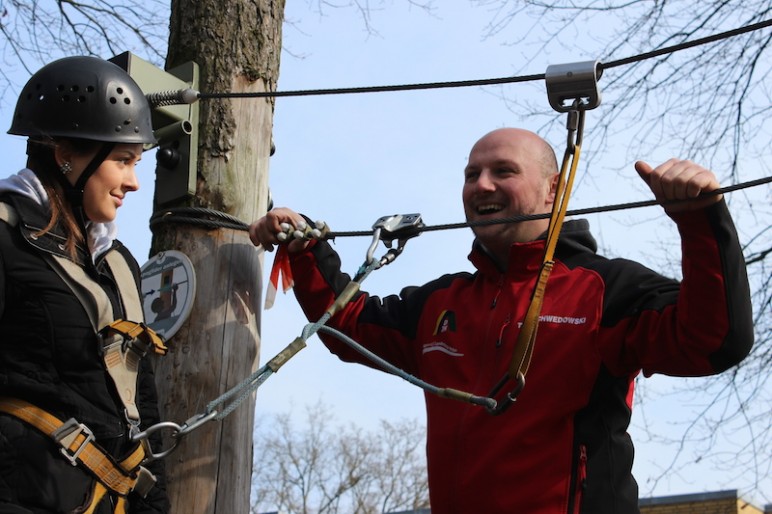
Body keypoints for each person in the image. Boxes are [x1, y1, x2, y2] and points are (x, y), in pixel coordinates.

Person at [248, 128, 754, 514]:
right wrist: (304, 244)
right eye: (471, 174)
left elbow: (713, 341)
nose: (481, 185)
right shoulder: (442, 303)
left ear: (554, 190)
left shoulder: (604, 289)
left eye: (502, 171)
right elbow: (349, 325)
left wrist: (701, 219)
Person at [0, 56, 170, 514]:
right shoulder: (4, 238)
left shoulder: (119, 265)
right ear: (67, 156)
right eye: (122, 160)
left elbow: (144, 404)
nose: (133, 182)